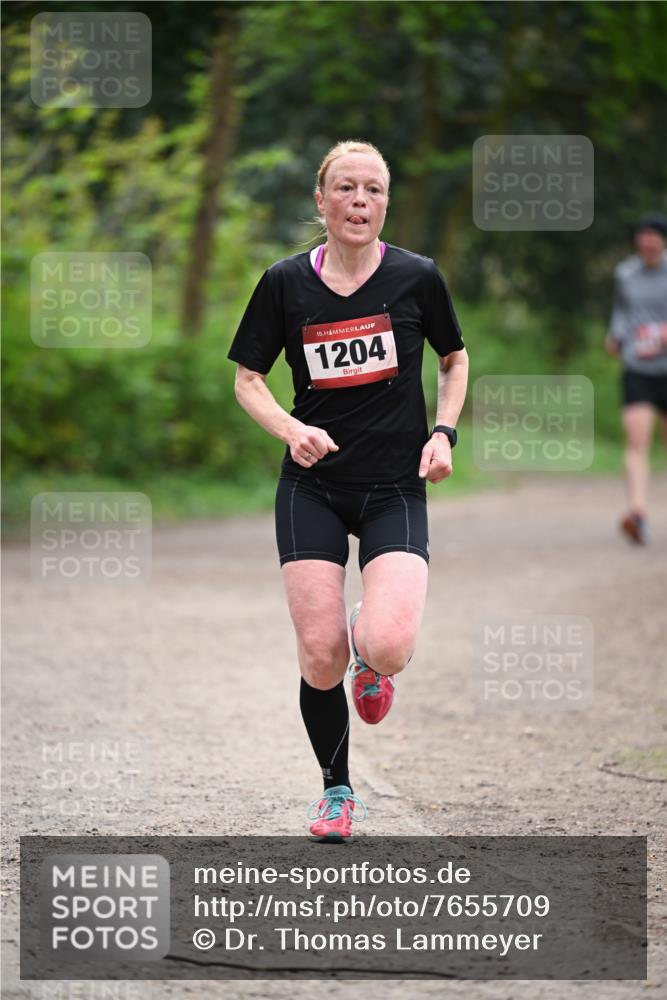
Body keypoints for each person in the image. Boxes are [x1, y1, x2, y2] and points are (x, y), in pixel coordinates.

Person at [227, 140, 469, 840]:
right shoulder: (283, 283)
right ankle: (336, 790)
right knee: (320, 654)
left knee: (386, 646)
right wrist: (287, 428)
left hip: (395, 484)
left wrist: (444, 433)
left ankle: (373, 655)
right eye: (345, 189)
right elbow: (247, 379)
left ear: (383, 203)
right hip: (313, 486)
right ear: (321, 200)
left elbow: (454, 361)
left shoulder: (417, 278)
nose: (358, 201)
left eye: (372, 190)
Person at [605, 212, 667, 544]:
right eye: (641, 237)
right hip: (638, 367)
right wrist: (615, 334)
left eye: (652, 237)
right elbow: (622, 310)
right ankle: (638, 513)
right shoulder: (626, 273)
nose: (646, 243)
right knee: (637, 441)